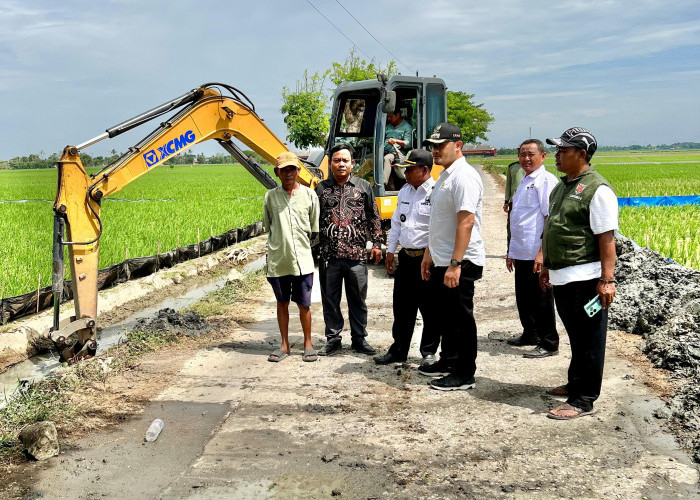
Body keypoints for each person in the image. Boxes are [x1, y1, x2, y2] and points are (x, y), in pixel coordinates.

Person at [540, 127, 618, 419]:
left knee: (589, 338)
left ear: (581, 154)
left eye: (563, 151)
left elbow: (606, 239)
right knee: (575, 336)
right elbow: (554, 229)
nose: (558, 155)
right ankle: (575, 384)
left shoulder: (598, 190)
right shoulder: (562, 187)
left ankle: (583, 398)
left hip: (586, 280)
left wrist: (607, 280)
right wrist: (547, 265)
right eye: (557, 150)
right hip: (563, 277)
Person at [419, 123, 485, 390]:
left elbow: (466, 222)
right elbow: (437, 221)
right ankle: (448, 360)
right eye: (433, 146)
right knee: (445, 316)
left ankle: (464, 372)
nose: (435, 150)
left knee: (460, 319)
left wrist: (456, 264)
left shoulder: (464, 177)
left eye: (440, 145)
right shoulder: (446, 175)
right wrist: (428, 254)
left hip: (460, 261)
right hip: (442, 258)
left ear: (458, 146)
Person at [316, 143, 383, 356]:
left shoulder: (363, 187)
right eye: (337, 160)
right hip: (329, 256)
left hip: (356, 256)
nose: (341, 164)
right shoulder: (321, 189)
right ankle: (333, 339)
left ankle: (359, 339)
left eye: (345, 160)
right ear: (330, 163)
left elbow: (374, 217)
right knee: (330, 299)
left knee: (358, 299)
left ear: (352, 164)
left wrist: (378, 244)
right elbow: (312, 220)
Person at [373, 149, 439, 367]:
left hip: (427, 260)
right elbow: (397, 223)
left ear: (424, 170)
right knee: (402, 307)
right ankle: (399, 349)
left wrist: (429, 256)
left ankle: (428, 352)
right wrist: (390, 251)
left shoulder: (437, 192)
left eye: (410, 169)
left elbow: (438, 229)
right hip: (406, 258)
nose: (405, 173)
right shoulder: (405, 191)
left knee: (430, 308)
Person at [263, 152, 320, 363]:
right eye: (284, 170)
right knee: (282, 302)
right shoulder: (270, 197)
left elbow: (314, 228)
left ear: (298, 171)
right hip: (279, 260)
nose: (289, 173)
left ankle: (308, 344)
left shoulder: (309, 196)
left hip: (303, 260)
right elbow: (268, 226)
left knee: (304, 304)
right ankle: (284, 345)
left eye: (292, 169)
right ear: (277, 173)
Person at [505, 139, 559, 357]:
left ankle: (549, 341)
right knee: (524, 297)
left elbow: (550, 218)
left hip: (536, 251)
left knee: (541, 298)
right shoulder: (524, 180)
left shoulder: (545, 181)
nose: (526, 159)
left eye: (531, 155)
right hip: (521, 250)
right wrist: (511, 250)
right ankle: (530, 332)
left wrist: (542, 252)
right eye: (522, 155)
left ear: (543, 156)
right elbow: (518, 218)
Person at [383, 109, 413, 187]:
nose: (389, 119)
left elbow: (408, 144)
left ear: (398, 115)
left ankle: (382, 184)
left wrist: (395, 141)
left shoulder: (407, 127)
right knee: (369, 157)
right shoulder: (388, 126)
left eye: (391, 116)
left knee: (387, 159)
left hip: (396, 152)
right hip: (383, 150)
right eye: (388, 116)